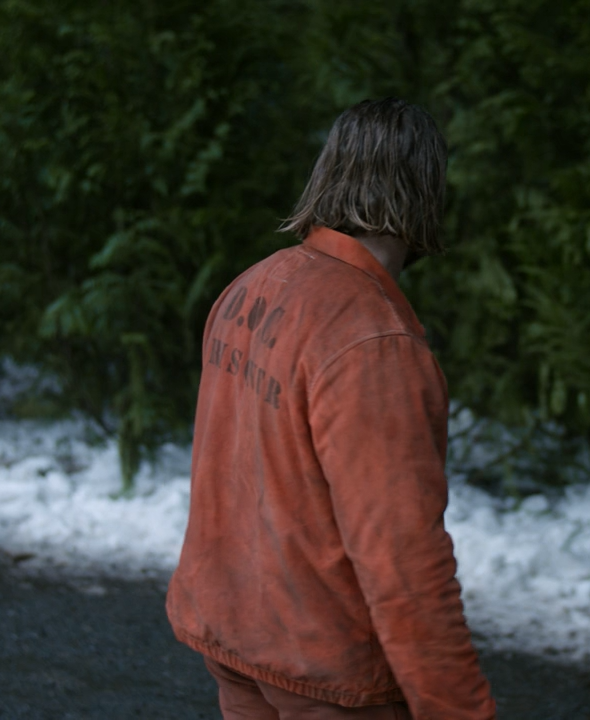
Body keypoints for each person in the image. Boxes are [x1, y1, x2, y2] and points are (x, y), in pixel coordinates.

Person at [165, 98, 498, 720]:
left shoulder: (255, 283)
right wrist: (458, 709)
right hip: (326, 671)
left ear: (329, 172)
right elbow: (401, 555)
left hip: (235, 636)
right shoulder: (372, 338)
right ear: (428, 189)